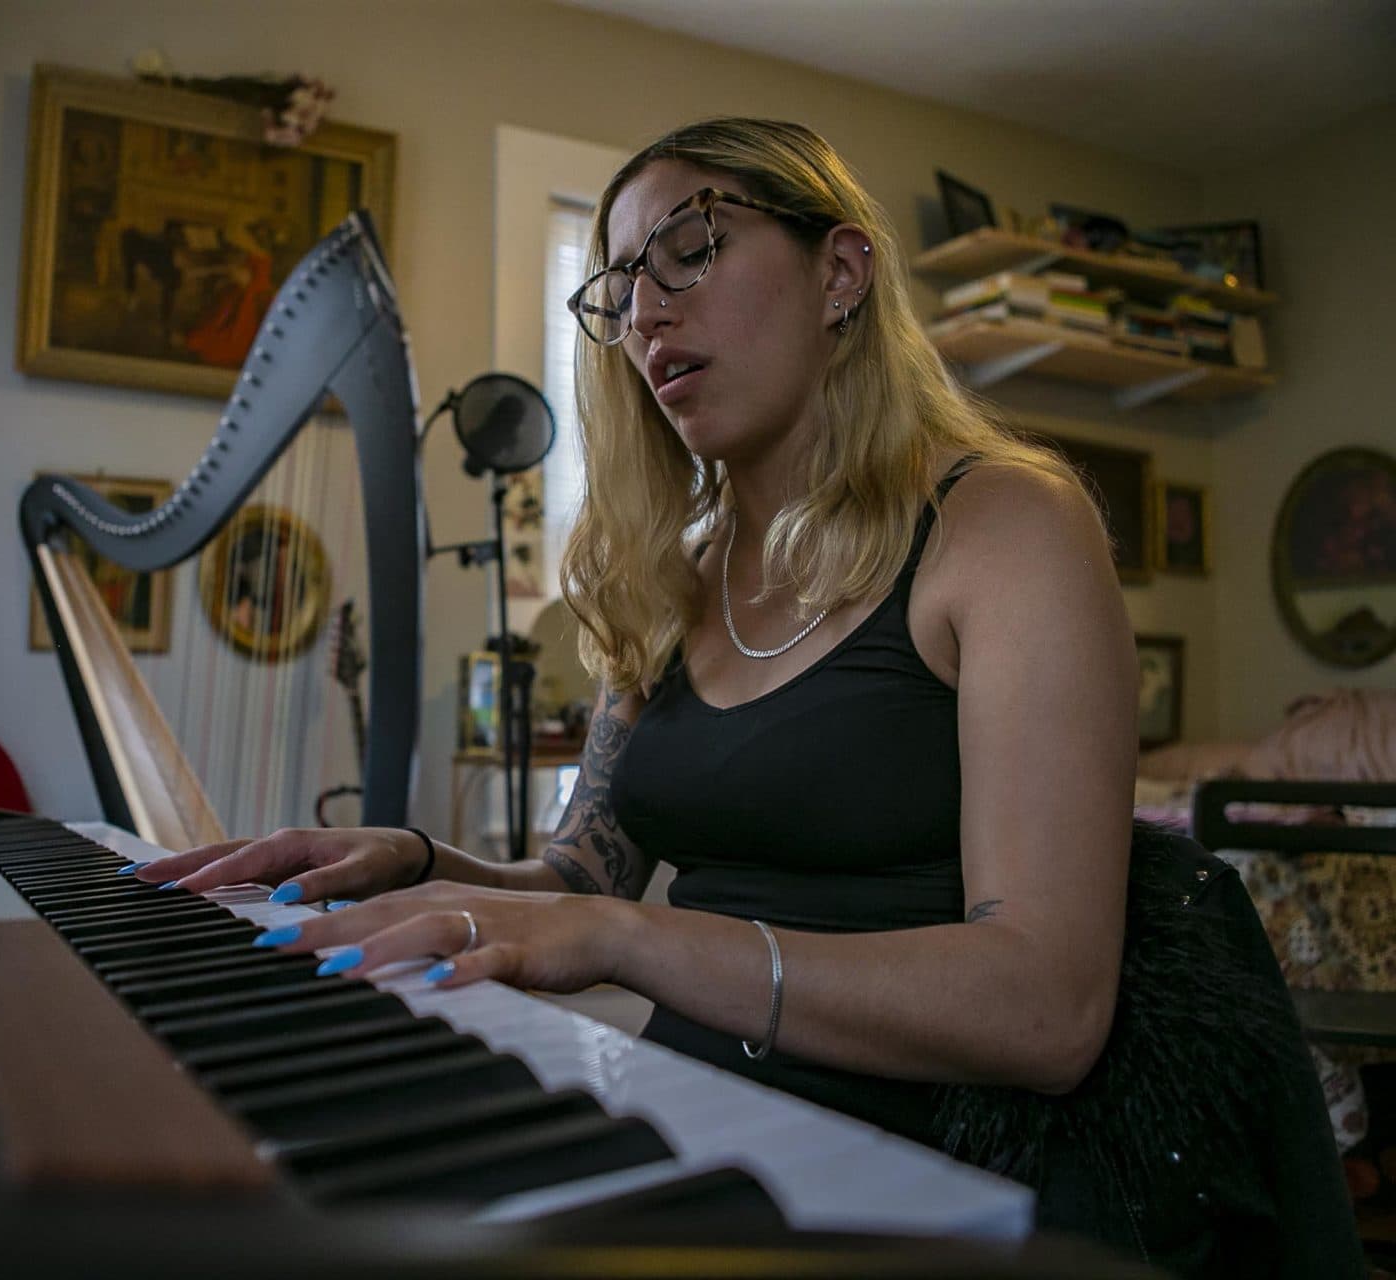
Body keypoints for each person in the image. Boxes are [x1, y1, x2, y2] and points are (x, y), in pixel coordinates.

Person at [134, 119, 1352, 1274]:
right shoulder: (666, 572)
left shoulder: (1004, 526)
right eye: (617, 288)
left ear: (841, 272)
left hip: (950, 1162)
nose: (648, 312)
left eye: (691, 250)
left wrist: (629, 940)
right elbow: (581, 882)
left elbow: (1047, 1007)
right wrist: (414, 858)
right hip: (699, 1114)